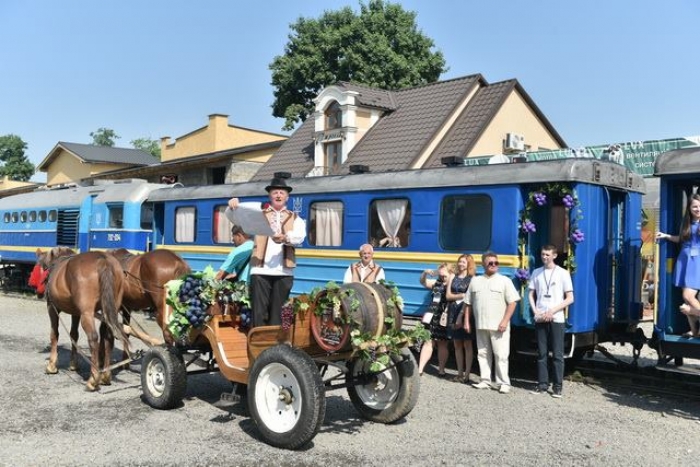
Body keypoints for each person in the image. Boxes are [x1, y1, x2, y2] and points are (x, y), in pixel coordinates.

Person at [227, 175, 306, 327]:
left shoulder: (295, 218)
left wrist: (285, 238)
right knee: (259, 314)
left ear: (287, 197)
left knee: (278, 315)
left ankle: (274, 349)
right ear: (270, 196)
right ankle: (258, 348)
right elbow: (236, 219)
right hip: (260, 270)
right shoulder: (259, 213)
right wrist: (232, 207)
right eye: (275, 192)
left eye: (282, 193)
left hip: (283, 272)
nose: (278, 195)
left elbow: (300, 237)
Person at [465, 252, 520, 394]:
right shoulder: (475, 281)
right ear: (483, 264)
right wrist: (466, 321)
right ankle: (485, 380)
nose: (494, 265)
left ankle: (503, 382)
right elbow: (468, 303)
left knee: (501, 355)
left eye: (496, 263)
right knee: (482, 353)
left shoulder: (504, 281)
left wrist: (505, 321)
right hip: (481, 324)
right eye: (490, 263)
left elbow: (512, 303)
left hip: (499, 325)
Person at [527, 245, 574, 398]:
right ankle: (542, 384)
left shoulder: (563, 273)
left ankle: (558, 386)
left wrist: (552, 311)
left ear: (554, 256)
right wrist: (536, 311)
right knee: (541, 353)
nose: (544, 257)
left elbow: (570, 298)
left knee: (557, 354)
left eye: (547, 254)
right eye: (542, 254)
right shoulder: (536, 272)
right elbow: (530, 295)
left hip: (556, 318)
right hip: (540, 317)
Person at [656, 193, 700, 337]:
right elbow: (681, 239)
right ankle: (694, 331)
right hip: (684, 261)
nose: (698, 209)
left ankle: (693, 313)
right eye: (695, 206)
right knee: (685, 298)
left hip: (696, 262)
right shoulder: (686, 223)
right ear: (689, 208)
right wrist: (666, 236)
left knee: (688, 296)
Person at [417, 263, 454, 377]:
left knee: (442, 343)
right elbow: (423, 282)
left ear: (450, 273)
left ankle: (441, 370)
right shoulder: (436, 283)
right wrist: (425, 273)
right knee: (428, 342)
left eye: (444, 275)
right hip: (431, 314)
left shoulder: (452, 284)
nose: (441, 277)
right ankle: (420, 369)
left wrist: (451, 278)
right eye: (440, 274)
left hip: (443, 316)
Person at [446, 254, 476, 383]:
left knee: (467, 344)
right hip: (452, 311)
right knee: (457, 344)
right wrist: (461, 295)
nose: (460, 264)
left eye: (463, 262)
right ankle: (459, 373)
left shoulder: (472, 279)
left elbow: (470, 299)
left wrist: (461, 316)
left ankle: (467, 374)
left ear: (469, 264)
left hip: (466, 313)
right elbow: (448, 296)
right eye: (459, 262)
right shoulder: (453, 276)